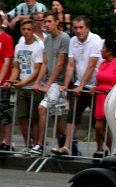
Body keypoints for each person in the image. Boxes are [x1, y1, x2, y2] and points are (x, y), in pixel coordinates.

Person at [51, 16, 102, 156]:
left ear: (87, 28)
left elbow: (92, 65)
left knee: (98, 122)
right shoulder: (73, 41)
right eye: (76, 28)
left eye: (81, 27)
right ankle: (66, 146)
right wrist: (66, 85)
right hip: (80, 84)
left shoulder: (96, 40)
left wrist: (82, 85)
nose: (78, 31)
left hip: (95, 86)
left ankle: (100, 149)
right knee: (72, 116)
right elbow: (71, 65)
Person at [31, 10, 70, 156]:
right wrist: (38, 82)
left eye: (49, 21)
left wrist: (48, 84)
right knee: (56, 116)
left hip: (59, 83)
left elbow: (60, 63)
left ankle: (39, 144)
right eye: (45, 21)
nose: (46, 24)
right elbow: (45, 63)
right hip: (50, 82)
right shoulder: (47, 40)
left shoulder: (64, 38)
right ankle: (64, 145)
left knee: (42, 108)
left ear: (57, 22)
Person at [4, 18, 43, 153]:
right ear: (21, 30)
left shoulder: (38, 47)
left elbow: (37, 70)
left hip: (33, 88)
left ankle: (36, 148)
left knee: (35, 119)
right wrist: (11, 80)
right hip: (21, 86)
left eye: (29, 29)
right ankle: (28, 145)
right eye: (24, 29)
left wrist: (24, 83)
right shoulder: (19, 46)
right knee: (22, 117)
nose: (26, 32)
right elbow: (16, 67)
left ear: (33, 30)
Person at [89, 39, 116, 158]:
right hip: (101, 99)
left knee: (115, 129)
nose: (101, 50)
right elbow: (99, 78)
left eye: (103, 48)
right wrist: (95, 86)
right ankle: (113, 150)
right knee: (99, 127)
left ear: (110, 51)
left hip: (113, 100)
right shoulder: (103, 63)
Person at [0, 18, 13, 152]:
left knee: (4, 112)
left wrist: (0, 80)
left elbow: (7, 61)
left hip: (3, 83)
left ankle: (7, 142)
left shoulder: (6, 38)